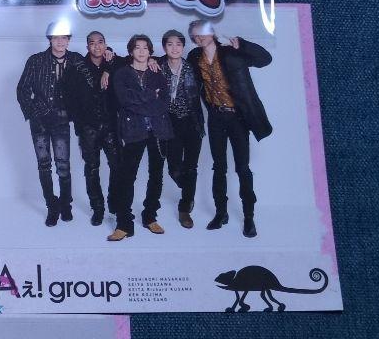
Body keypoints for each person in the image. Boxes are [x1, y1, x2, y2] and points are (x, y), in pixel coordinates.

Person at [187, 20, 273, 238]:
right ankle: (221, 213)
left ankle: (249, 217)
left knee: (242, 168)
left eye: (203, 32)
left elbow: (265, 59)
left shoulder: (231, 52)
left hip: (237, 117)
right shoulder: (194, 57)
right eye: (195, 35)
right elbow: (174, 63)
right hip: (216, 117)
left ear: (212, 32)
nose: (200, 37)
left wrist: (243, 45)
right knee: (219, 167)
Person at [109, 35, 173, 241]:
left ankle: (150, 217)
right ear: (131, 51)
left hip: (158, 129)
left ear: (150, 52)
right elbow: (124, 99)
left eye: (146, 48)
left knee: (156, 175)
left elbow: (165, 100)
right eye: (137, 47)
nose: (142, 51)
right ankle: (124, 224)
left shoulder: (157, 72)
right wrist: (150, 96)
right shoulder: (122, 73)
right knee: (127, 176)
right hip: (132, 129)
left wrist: (142, 103)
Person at [16, 23, 80, 226]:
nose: (60, 41)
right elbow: (22, 89)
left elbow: (94, 70)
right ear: (50, 39)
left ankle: (66, 205)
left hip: (62, 120)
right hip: (40, 122)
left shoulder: (76, 60)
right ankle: (52, 207)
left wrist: (109, 52)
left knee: (63, 165)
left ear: (68, 40)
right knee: (44, 165)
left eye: (64, 37)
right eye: (56, 37)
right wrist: (35, 112)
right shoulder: (36, 60)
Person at [64, 32, 121, 227]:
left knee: (117, 166)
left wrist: (108, 68)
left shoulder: (114, 63)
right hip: (88, 128)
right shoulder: (77, 68)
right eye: (92, 43)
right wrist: (79, 123)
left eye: (101, 42)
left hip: (111, 125)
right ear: (87, 46)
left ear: (106, 44)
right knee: (92, 169)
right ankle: (97, 208)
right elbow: (68, 97)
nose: (97, 46)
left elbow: (135, 60)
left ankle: (114, 202)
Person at [157, 29, 205, 229]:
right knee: (174, 168)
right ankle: (189, 189)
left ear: (183, 47)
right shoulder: (157, 66)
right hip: (171, 123)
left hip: (192, 122)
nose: (174, 48)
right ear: (164, 47)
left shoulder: (193, 67)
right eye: (170, 44)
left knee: (191, 166)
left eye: (178, 44)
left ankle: (185, 207)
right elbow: (132, 58)